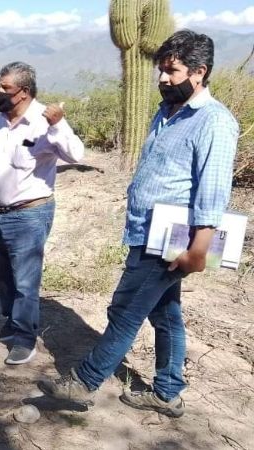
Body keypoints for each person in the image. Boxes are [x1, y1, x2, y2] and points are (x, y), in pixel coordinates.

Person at [39, 30, 239, 418]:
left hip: (172, 237)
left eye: (172, 71)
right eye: (161, 71)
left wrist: (199, 249)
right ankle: (167, 392)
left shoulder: (214, 121)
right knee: (165, 313)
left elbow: (213, 190)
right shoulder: (167, 112)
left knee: (125, 309)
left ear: (199, 72)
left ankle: (83, 382)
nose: (162, 78)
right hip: (144, 229)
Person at [0, 61, 84, 365]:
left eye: (5, 88)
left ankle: (25, 339)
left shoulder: (43, 122)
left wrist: (59, 125)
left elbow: (76, 155)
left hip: (28, 215)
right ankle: (12, 326)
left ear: (23, 92)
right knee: (3, 275)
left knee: (25, 281)